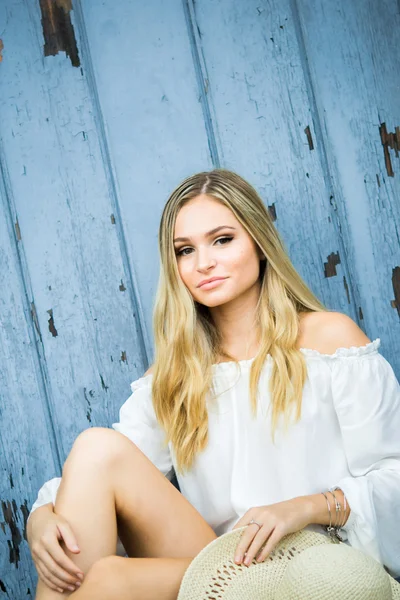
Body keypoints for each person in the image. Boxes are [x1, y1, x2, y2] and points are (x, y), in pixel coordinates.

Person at [27, 169, 400, 600]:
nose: (203, 263)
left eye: (222, 240)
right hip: (228, 569)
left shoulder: (330, 341)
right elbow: (98, 472)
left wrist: (305, 507)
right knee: (96, 451)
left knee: (112, 581)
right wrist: (41, 517)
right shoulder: (177, 373)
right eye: (185, 250)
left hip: (319, 568)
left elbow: (395, 476)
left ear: (259, 243)